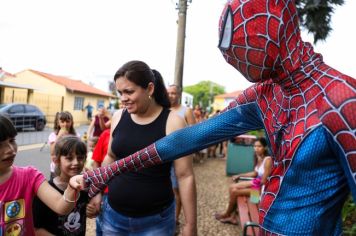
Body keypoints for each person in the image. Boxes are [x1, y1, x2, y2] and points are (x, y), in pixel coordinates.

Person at [76, 0, 355, 234]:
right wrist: (107, 171)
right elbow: (190, 138)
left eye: (238, 44)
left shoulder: (342, 98)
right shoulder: (266, 94)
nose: (231, 58)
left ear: (273, 27)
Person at [87, 61, 197, 235]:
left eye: (129, 91)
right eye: (120, 92)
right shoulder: (118, 116)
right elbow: (110, 156)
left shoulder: (173, 122)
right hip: (113, 215)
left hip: (156, 222)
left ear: (150, 89)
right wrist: (97, 192)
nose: (123, 98)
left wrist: (190, 224)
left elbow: (185, 176)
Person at [0, 114, 81, 236]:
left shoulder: (29, 176)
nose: (10, 149)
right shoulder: (54, 135)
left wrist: (72, 187)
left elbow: (61, 205)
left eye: (12, 140)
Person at [33, 135, 91, 235]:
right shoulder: (46, 191)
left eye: (80, 158)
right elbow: (36, 228)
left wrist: (95, 202)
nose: (76, 162)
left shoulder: (84, 186)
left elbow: (99, 186)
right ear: (56, 161)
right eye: (69, 158)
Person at [215, 137, 272, 225]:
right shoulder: (259, 157)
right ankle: (232, 216)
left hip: (261, 192)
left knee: (234, 192)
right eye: (255, 146)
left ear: (265, 147)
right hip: (257, 184)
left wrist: (249, 185)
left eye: (259, 146)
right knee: (232, 187)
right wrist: (240, 175)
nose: (256, 148)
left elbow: (263, 181)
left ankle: (227, 214)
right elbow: (255, 173)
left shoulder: (268, 160)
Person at [167, 84, 196, 231]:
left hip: (179, 156)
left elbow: (194, 133)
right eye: (168, 93)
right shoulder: (164, 109)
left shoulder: (186, 111)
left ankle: (175, 220)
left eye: (173, 93)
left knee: (176, 190)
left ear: (179, 95)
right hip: (165, 156)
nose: (170, 95)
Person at [49, 111, 78, 180]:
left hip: (71, 168)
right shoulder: (53, 136)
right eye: (62, 122)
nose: (65, 124)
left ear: (71, 122)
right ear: (58, 123)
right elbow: (52, 152)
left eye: (68, 121)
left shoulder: (76, 136)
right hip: (56, 169)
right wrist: (58, 136)